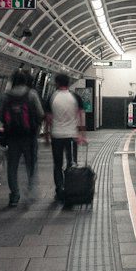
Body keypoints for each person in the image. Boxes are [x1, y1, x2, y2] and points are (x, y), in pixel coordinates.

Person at [0, 69, 44, 207]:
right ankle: (30, 192)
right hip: (29, 137)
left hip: (12, 137)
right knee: (31, 165)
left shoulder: (6, 96)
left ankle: (14, 195)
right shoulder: (32, 94)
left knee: (12, 167)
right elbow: (40, 114)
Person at [44, 73, 86, 201]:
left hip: (56, 136)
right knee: (71, 163)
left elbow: (48, 119)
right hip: (72, 136)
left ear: (56, 83)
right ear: (68, 83)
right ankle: (70, 188)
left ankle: (59, 190)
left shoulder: (52, 97)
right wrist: (82, 135)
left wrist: (47, 135)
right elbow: (81, 116)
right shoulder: (75, 97)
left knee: (57, 164)